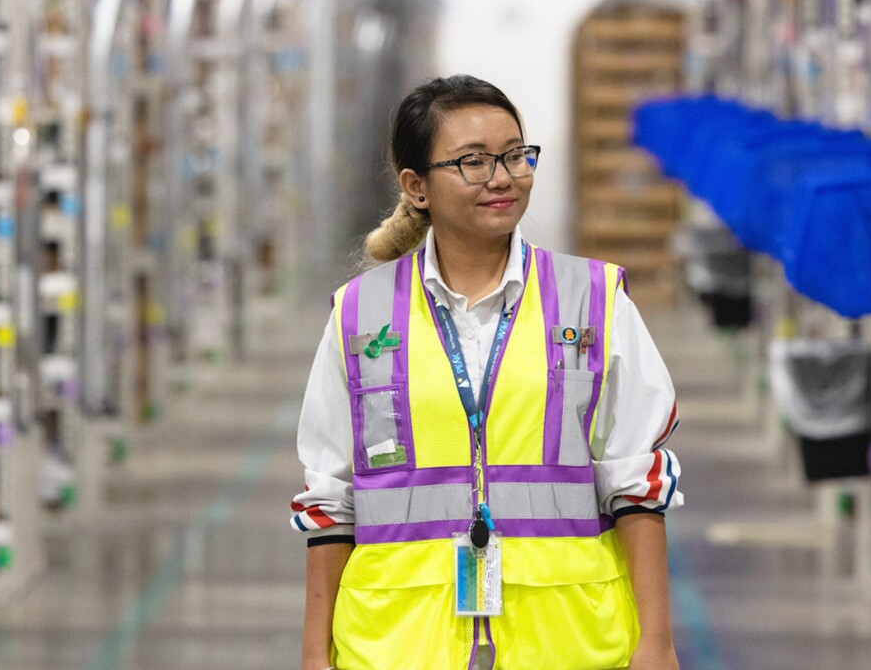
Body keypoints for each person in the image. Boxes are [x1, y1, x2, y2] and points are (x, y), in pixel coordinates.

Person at [289, 75, 683, 670]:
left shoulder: (593, 300)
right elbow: (331, 501)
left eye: (515, 155)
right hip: (397, 645)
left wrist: (657, 643)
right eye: (472, 162)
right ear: (416, 186)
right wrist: (315, 655)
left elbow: (636, 483)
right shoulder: (360, 315)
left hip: (566, 641)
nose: (501, 177)